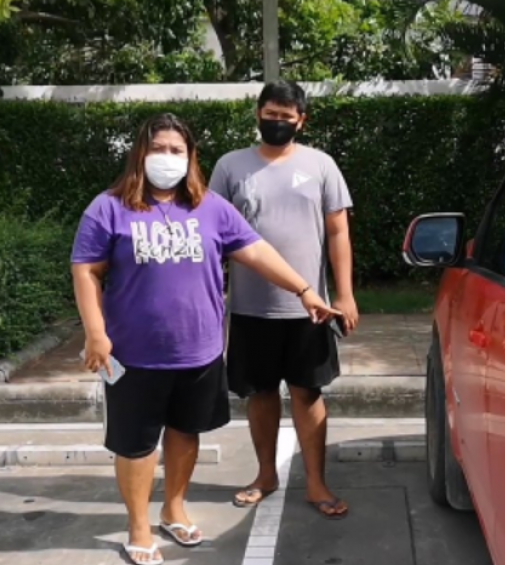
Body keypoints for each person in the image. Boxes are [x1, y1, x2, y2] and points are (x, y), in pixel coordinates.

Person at [71, 113, 338, 565]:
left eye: (177, 150)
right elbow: (86, 270)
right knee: (136, 445)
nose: (167, 158)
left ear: (191, 157)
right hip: (134, 354)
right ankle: (139, 527)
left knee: (185, 434)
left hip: (199, 351)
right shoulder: (109, 207)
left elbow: (256, 251)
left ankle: (174, 508)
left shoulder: (210, 206)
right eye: (158, 148)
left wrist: (304, 290)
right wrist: (96, 333)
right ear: (140, 153)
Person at [209, 80, 359, 520]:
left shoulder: (321, 165)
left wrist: (345, 294)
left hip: (309, 309)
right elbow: (212, 233)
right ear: (258, 114)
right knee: (259, 394)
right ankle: (264, 476)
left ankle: (316, 483)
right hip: (250, 307)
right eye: (270, 114)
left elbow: (338, 231)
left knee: (307, 393)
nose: (277, 122)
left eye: (286, 116)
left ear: (301, 120)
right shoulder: (230, 166)